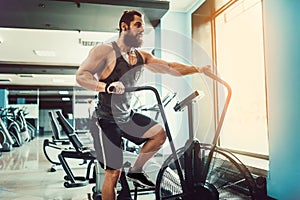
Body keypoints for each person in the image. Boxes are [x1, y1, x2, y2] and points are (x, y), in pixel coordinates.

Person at [76, 10, 210, 200]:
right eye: (138, 25)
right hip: (105, 121)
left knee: (158, 134)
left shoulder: (141, 57)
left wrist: (197, 69)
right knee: (113, 174)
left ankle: (136, 170)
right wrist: (106, 87)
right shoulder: (105, 51)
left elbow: (171, 67)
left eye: (143, 27)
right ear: (124, 27)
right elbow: (82, 76)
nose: (142, 30)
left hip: (126, 116)